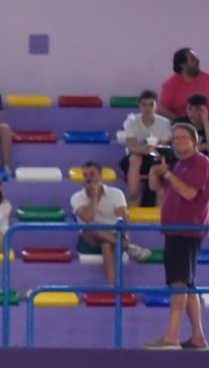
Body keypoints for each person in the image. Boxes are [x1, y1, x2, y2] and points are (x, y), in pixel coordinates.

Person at [145, 122, 209, 349]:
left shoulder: (200, 162)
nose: (178, 140)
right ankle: (198, 336)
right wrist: (156, 171)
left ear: (193, 141)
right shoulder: (178, 164)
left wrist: (169, 175)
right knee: (187, 283)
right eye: (175, 137)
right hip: (174, 229)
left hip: (187, 229)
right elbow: (158, 189)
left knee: (179, 282)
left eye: (183, 137)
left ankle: (171, 336)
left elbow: (190, 193)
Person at [72, 161, 141, 287]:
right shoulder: (77, 197)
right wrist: (94, 197)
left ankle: (112, 286)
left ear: (101, 176)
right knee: (91, 226)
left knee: (107, 245)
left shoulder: (116, 193)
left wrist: (123, 234)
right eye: (85, 175)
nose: (88, 178)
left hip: (114, 234)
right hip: (89, 239)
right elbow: (87, 218)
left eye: (92, 174)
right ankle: (126, 246)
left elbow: (123, 218)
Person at [122, 90, 175, 203]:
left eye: (151, 104)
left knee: (158, 164)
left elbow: (164, 145)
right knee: (135, 159)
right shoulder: (131, 121)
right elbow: (131, 147)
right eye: (144, 104)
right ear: (139, 106)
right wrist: (143, 150)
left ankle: (161, 199)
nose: (147, 108)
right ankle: (133, 194)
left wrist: (152, 149)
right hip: (137, 155)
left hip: (157, 155)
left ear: (156, 106)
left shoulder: (164, 123)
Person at [161, 48, 209, 120]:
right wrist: (180, 121)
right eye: (193, 60)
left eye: (197, 58)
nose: (197, 61)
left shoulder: (206, 78)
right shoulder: (170, 84)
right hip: (183, 125)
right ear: (182, 65)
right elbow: (163, 109)